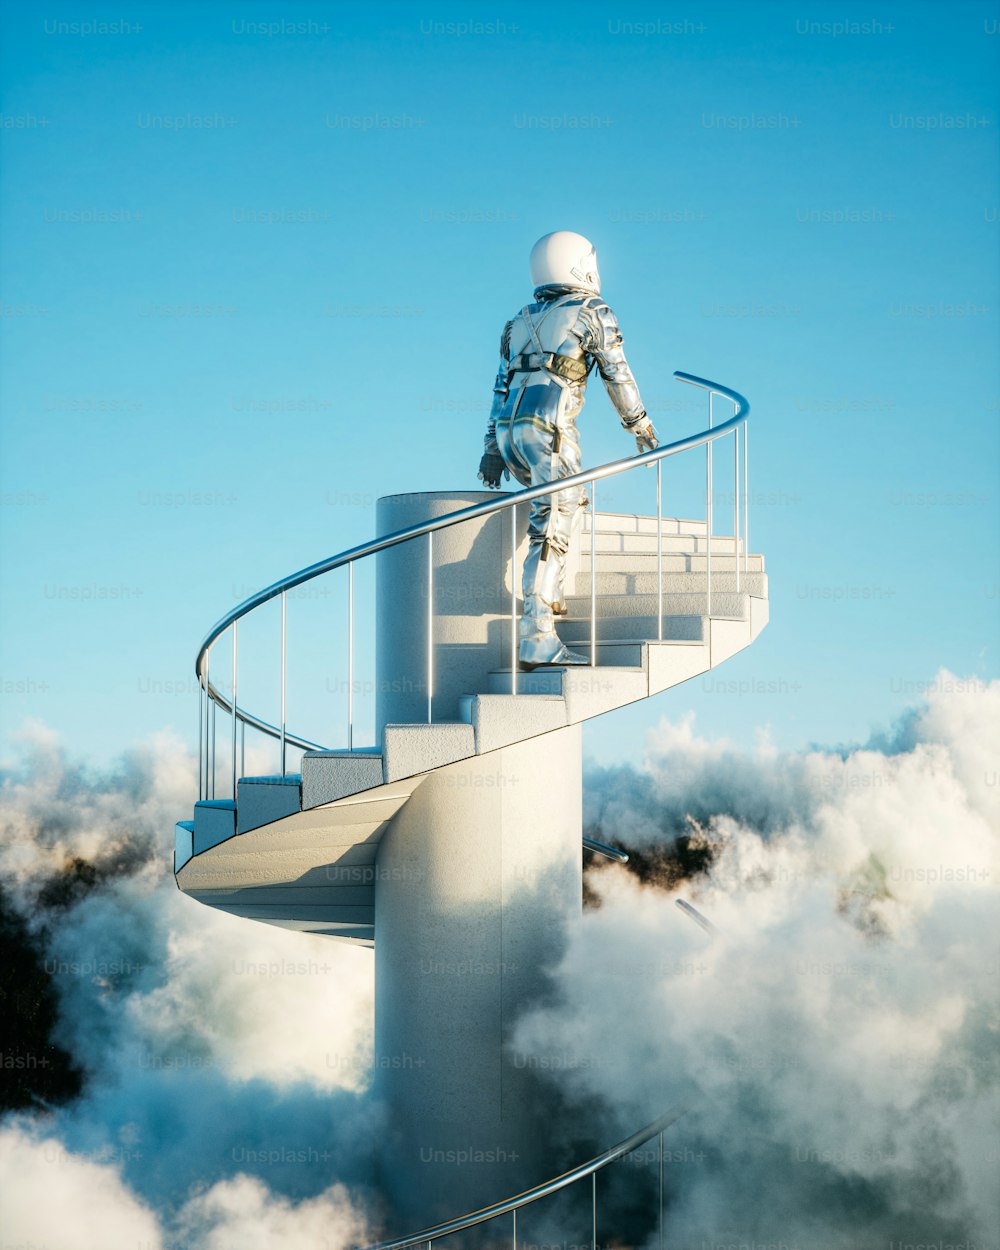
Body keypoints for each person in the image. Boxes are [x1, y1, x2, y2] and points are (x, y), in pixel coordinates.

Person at [478, 231, 658, 669]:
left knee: (568, 501)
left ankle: (552, 593)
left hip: (510, 433)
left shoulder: (516, 321)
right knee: (551, 527)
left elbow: (500, 386)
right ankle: (538, 635)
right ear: (580, 264)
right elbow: (617, 375)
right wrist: (640, 425)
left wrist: (491, 449)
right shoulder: (594, 312)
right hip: (550, 430)